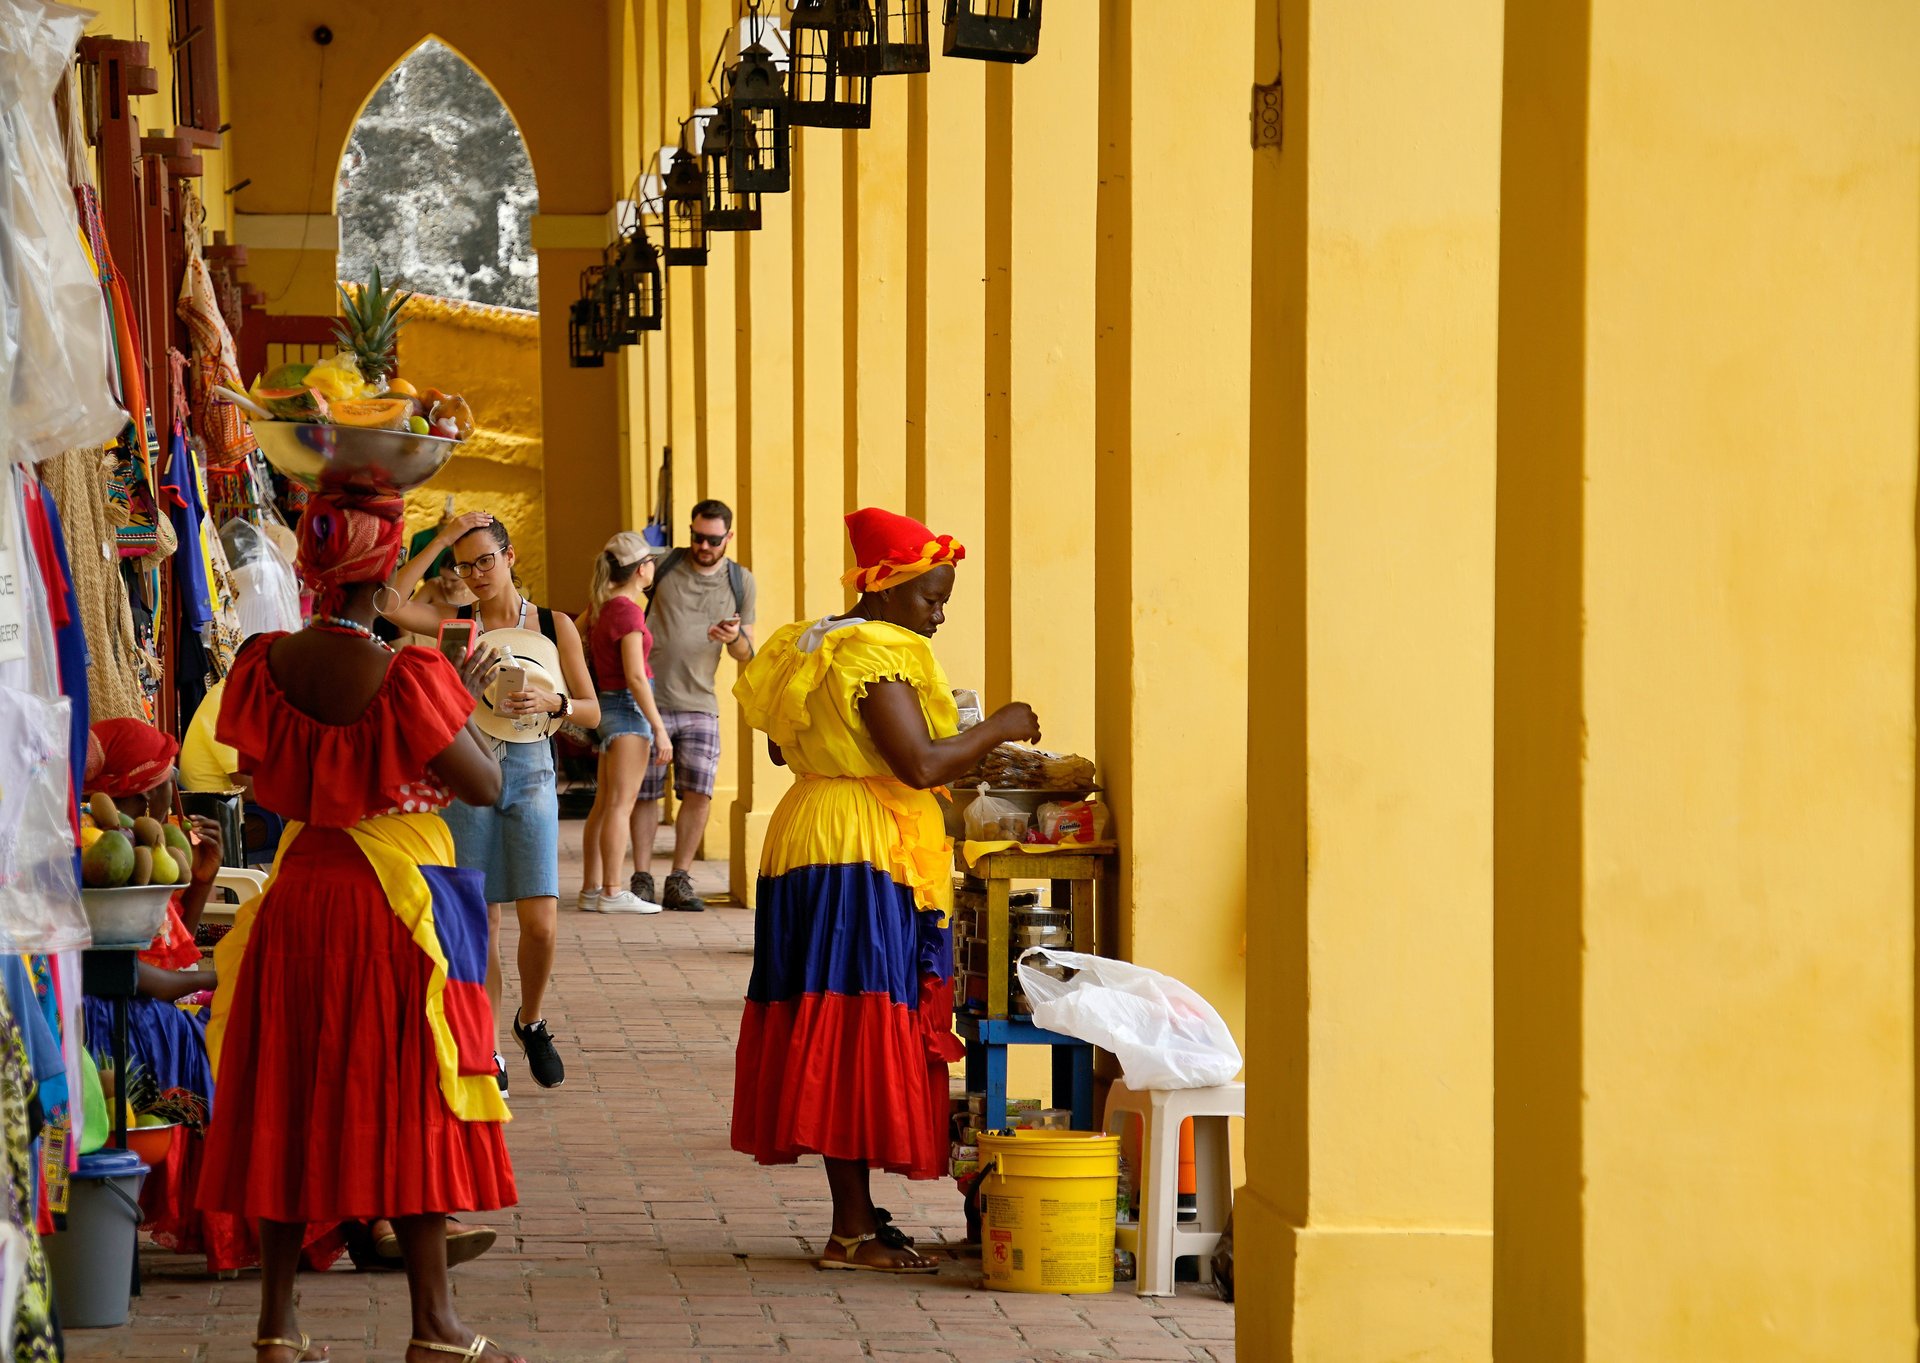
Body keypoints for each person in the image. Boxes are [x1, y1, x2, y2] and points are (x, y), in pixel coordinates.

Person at [200, 491, 524, 1363]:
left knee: (287, 1091)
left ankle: (277, 1323)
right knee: (409, 1093)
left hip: (299, 893)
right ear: (386, 580)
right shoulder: (408, 675)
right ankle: (434, 1325)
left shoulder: (263, 664)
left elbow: (248, 765)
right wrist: (474, 700)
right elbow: (485, 783)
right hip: (390, 907)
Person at [731, 508, 1042, 1273]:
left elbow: (780, 743)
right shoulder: (875, 653)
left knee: (837, 1015)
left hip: (812, 828)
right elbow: (921, 765)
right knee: (856, 1023)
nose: (937, 614)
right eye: (931, 597)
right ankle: (850, 1230)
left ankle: (858, 1215)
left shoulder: (812, 642)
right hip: (858, 847)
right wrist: (1000, 724)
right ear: (887, 591)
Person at [380, 511, 600, 1093]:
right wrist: (442, 539)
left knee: (541, 923)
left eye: (485, 560)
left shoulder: (554, 626)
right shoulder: (458, 625)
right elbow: (388, 603)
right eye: (465, 564)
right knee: (482, 920)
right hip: (471, 766)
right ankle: (489, 1047)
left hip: (530, 770)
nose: (476, 573)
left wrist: (556, 702)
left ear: (509, 557)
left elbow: (592, 710)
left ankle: (531, 1019)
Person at [631, 500, 756, 911]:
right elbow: (624, 597)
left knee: (699, 792)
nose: (703, 545)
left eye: (713, 540)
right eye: (697, 536)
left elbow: (746, 653)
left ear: (728, 538)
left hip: (701, 702)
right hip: (649, 696)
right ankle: (643, 878)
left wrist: (733, 637)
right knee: (645, 793)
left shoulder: (740, 581)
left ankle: (679, 879)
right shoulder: (663, 564)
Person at [578, 533, 673, 913]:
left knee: (603, 805)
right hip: (629, 708)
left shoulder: (601, 605)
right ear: (641, 569)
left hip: (607, 706)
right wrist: (660, 728)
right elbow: (636, 676)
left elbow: (575, 636)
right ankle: (613, 891)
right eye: (651, 561)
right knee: (621, 805)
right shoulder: (629, 612)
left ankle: (591, 889)